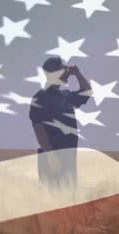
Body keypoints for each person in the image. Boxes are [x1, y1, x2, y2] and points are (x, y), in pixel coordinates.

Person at [29, 57, 92, 192]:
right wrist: (51, 155)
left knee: (68, 201)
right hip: (52, 158)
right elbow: (39, 129)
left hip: (68, 157)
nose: (67, 72)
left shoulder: (65, 95)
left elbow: (87, 91)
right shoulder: (41, 98)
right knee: (52, 201)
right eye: (64, 69)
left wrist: (77, 73)